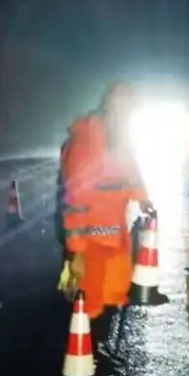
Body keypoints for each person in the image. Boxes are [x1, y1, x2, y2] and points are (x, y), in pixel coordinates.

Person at [57, 82, 150, 319]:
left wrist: (143, 198)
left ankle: (98, 351)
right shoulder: (85, 142)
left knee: (111, 301)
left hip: (114, 240)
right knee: (88, 310)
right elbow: (74, 201)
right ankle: (86, 352)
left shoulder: (117, 139)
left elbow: (129, 174)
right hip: (90, 246)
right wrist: (77, 252)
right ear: (111, 109)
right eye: (125, 112)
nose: (127, 118)